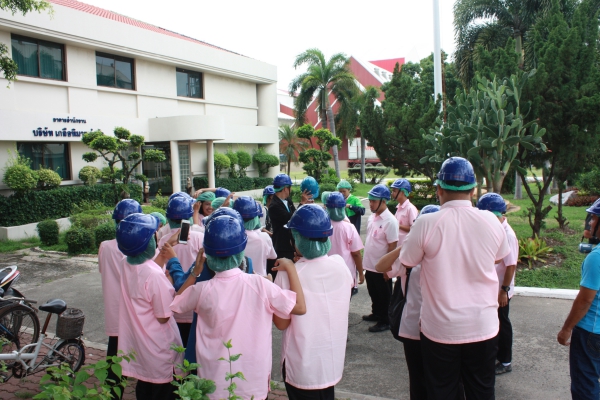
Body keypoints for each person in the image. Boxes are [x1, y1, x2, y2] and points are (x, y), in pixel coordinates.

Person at [399, 157, 510, 399]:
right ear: (473, 190)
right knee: (482, 391)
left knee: (443, 390)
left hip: (440, 329)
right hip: (483, 325)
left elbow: (407, 261)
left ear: (439, 189)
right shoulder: (491, 221)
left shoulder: (427, 223)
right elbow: (498, 257)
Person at [170, 213, 306, 400]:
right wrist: (289, 268)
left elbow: (176, 303)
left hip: (212, 382)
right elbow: (299, 307)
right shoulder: (260, 284)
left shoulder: (202, 290)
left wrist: (195, 271)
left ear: (206, 253)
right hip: (253, 382)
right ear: (242, 250)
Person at [274, 204, 354, 399]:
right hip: (330, 362)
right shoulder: (340, 265)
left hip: (301, 365)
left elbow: (281, 323)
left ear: (297, 239)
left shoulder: (287, 275)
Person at [375, 204, 441, 400]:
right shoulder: (410, 260)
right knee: (418, 380)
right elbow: (381, 267)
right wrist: (405, 247)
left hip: (441, 330)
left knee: (442, 381)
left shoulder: (448, 259)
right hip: (414, 329)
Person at [115, 213, 182, 400]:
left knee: (144, 388)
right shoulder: (155, 276)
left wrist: (164, 252)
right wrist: (171, 286)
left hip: (141, 347)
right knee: (162, 392)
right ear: (147, 243)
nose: (156, 238)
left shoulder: (125, 263)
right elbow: (163, 316)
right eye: (154, 236)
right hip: (159, 349)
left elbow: (146, 271)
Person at [98, 199, 141, 400]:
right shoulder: (140, 247)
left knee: (114, 360)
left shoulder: (105, 247)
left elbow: (103, 271)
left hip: (115, 313)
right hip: (136, 313)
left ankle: (112, 395)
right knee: (143, 357)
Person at [558, 198, 600, 398]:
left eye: (594, 218)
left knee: (585, 386)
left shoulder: (596, 257)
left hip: (591, 332)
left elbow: (584, 301)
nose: (590, 222)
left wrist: (566, 329)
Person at [477, 192, 519, 375]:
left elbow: (511, 266)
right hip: (492, 288)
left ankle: (505, 360)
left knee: (502, 324)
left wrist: (504, 291)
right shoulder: (494, 229)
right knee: (494, 324)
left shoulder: (507, 235)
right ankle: (494, 356)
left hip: (501, 289)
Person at [158, 194, 203, 346]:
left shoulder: (164, 241)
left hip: (173, 302)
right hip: (194, 301)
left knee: (178, 345)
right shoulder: (199, 237)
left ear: (168, 218)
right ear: (189, 217)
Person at [362, 184, 398, 333]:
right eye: (370, 200)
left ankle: (385, 320)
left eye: (374, 201)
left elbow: (392, 245)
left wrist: (387, 268)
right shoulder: (372, 217)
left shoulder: (390, 221)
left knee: (384, 295)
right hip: (370, 264)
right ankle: (376, 313)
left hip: (381, 266)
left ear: (383, 201)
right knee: (373, 291)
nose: (370, 204)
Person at [268, 173, 310, 277]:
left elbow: (295, 213)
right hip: (282, 245)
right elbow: (291, 219)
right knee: (284, 274)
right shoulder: (274, 206)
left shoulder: (287, 200)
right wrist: (302, 203)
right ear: (285, 188)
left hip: (292, 243)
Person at [325, 192, 365, 294]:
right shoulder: (348, 227)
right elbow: (356, 253)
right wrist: (361, 273)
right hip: (346, 272)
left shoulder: (322, 226)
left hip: (326, 272)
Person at [234, 196, 277, 277]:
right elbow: (272, 256)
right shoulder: (264, 237)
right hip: (261, 279)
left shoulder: (231, 238)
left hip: (238, 280)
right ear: (255, 218)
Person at [390, 179, 418, 248]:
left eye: (394, 191)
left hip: (405, 247)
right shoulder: (399, 207)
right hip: (397, 246)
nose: (392, 193)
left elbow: (415, 229)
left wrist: (398, 225)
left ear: (402, 192)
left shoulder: (410, 208)